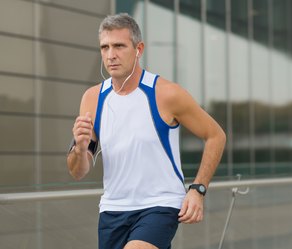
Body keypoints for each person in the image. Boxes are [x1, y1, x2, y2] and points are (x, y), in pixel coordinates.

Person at [67, 13, 226, 249]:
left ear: (138, 49)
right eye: (105, 47)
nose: (111, 55)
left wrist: (198, 189)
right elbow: (78, 172)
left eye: (119, 46)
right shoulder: (92, 98)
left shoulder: (166, 93)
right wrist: (80, 149)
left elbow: (215, 135)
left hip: (160, 205)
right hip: (113, 210)